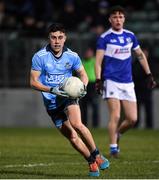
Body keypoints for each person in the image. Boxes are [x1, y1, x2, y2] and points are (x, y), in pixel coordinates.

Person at [30, 23, 109, 176]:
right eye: (53, 38)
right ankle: (91, 161)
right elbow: (33, 82)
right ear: (49, 38)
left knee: (77, 124)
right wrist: (52, 89)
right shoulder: (39, 57)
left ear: (65, 38)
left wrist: (83, 87)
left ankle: (97, 154)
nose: (57, 41)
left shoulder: (72, 56)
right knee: (72, 137)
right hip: (52, 102)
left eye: (60, 37)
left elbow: (83, 75)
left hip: (68, 97)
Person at [95, 6, 156, 157]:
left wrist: (149, 74)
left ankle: (118, 135)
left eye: (120, 16)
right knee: (115, 116)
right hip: (111, 81)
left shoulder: (130, 36)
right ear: (110, 19)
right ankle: (113, 148)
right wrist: (98, 79)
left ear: (124, 19)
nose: (118, 19)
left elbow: (140, 55)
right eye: (114, 17)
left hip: (128, 82)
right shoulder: (105, 38)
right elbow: (98, 61)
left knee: (132, 119)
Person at [133, 47, 154, 128]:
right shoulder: (135, 63)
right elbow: (134, 74)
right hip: (137, 89)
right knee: (136, 109)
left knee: (148, 108)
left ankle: (149, 125)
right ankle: (136, 125)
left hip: (147, 89)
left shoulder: (151, 63)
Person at [80, 47, 100, 128]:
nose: (88, 54)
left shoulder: (95, 61)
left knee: (95, 105)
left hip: (93, 84)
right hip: (83, 85)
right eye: (87, 52)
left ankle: (95, 125)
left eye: (89, 52)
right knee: (84, 106)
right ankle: (84, 124)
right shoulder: (81, 61)